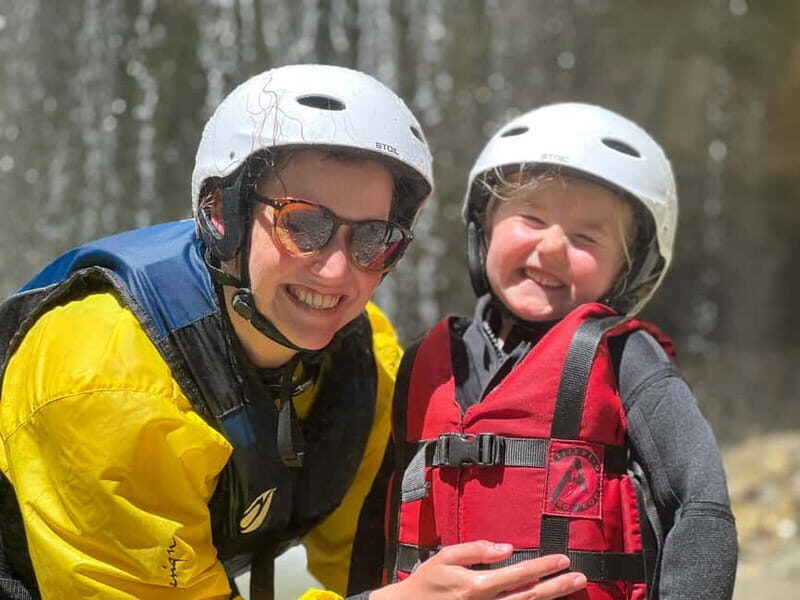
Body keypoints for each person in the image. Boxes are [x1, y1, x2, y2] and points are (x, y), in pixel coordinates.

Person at [0, 65, 587, 600]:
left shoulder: (365, 355)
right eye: (303, 225)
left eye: (373, 238)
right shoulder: (106, 382)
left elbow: (369, 563)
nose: (336, 272)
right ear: (220, 214)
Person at [382, 103, 738, 599]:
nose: (551, 247)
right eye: (531, 218)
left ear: (628, 269)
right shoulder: (426, 362)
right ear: (484, 227)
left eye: (585, 237)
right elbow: (379, 522)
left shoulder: (627, 358)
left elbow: (700, 506)